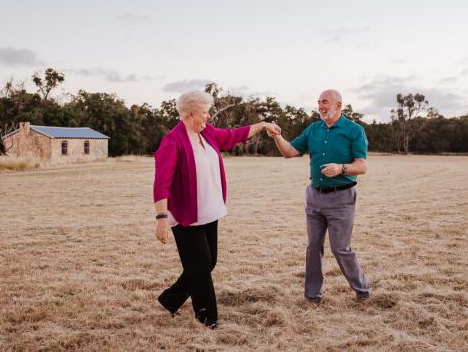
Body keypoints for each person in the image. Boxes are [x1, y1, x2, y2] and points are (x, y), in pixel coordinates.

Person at [153, 90, 280, 329]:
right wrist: (161, 217)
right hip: (186, 216)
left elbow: (234, 135)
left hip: (210, 210)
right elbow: (161, 183)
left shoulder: (207, 132)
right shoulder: (173, 140)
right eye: (204, 112)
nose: (208, 116)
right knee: (200, 266)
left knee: (208, 262)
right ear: (190, 113)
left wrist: (262, 125)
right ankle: (207, 319)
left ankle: (170, 299)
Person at [267, 89, 371, 303]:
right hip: (314, 197)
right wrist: (277, 136)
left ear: (339, 106)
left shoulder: (354, 130)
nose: (321, 106)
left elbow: (362, 166)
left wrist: (341, 168)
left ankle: (362, 290)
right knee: (313, 247)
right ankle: (313, 296)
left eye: (325, 102)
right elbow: (289, 152)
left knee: (340, 249)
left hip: (341, 199)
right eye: (319, 102)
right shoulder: (314, 129)